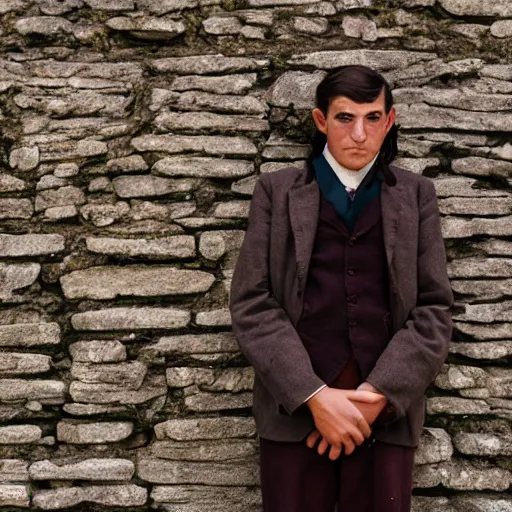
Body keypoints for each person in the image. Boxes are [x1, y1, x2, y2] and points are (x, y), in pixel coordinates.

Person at [229, 65, 453, 512]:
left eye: (372, 118)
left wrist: (377, 398)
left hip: (385, 414)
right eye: (345, 118)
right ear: (320, 121)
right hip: (293, 412)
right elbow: (252, 303)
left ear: (389, 121)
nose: (358, 133)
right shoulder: (276, 192)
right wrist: (313, 397)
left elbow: (433, 308)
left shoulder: (415, 195)